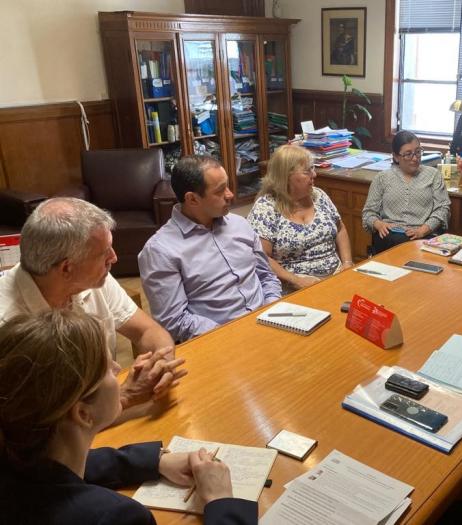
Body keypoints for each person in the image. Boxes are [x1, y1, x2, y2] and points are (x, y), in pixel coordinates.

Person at [0, 309, 256, 525]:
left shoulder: (16, 453)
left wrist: (153, 462)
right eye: (107, 368)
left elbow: (48, 473)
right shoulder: (116, 517)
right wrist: (221, 502)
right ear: (83, 413)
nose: (118, 368)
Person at [0, 197, 184, 410]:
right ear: (67, 268)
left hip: (105, 414)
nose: (114, 258)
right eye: (104, 253)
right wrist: (125, 396)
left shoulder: (91, 280)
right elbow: (36, 423)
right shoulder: (8, 323)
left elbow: (147, 331)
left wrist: (162, 363)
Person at [138, 155, 282, 342]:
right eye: (220, 190)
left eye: (228, 185)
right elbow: (174, 320)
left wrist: (272, 307)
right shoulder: (160, 251)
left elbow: (265, 275)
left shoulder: (240, 225)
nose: (230, 195)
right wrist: (234, 334)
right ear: (192, 199)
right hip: (219, 340)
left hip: (269, 322)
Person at [247, 144, 353, 290]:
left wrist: (347, 263)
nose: (314, 175)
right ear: (286, 176)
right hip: (295, 286)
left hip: (336, 276)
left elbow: (340, 229)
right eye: (307, 171)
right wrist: (296, 280)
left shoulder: (319, 195)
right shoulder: (266, 207)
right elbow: (262, 257)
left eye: (313, 168)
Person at [362, 130, 451, 254]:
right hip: (390, 234)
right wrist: (378, 224)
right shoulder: (382, 178)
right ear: (396, 156)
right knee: (397, 242)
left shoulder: (433, 175)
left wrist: (423, 230)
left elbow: (442, 209)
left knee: (409, 246)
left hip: (423, 235)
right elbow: (368, 213)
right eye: (408, 154)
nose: (415, 158)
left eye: (418, 152)